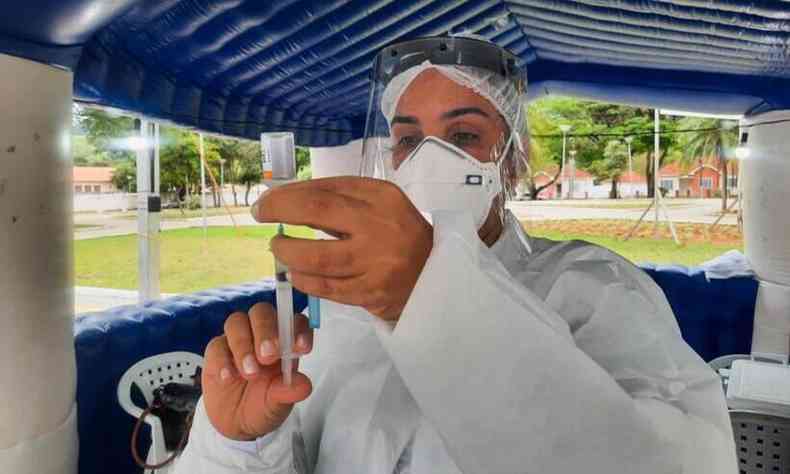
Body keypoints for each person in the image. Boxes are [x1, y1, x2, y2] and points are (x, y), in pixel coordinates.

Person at [173, 36, 736, 474]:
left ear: (511, 163)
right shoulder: (342, 307)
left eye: (463, 136)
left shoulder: (594, 287)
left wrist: (432, 296)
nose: (429, 160)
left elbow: (672, 460)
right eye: (408, 139)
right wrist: (239, 442)